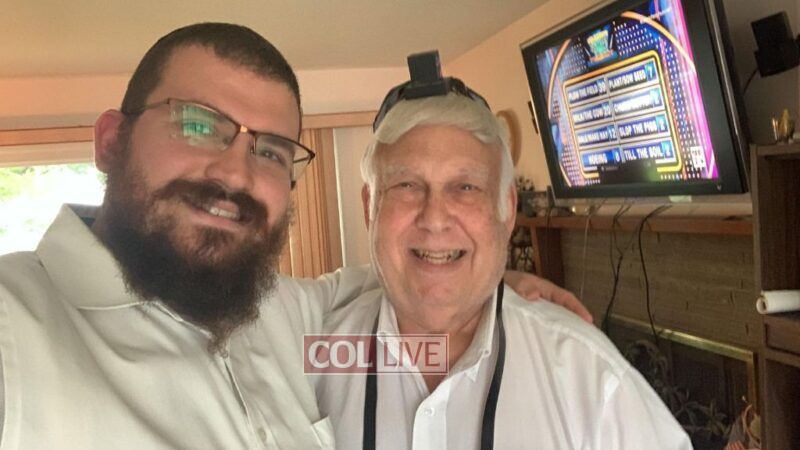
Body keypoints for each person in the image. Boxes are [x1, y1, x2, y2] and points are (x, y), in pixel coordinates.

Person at [0, 23, 587, 448]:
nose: (235, 174)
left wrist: (484, 272)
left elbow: (392, 290)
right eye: (198, 124)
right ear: (111, 141)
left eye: (271, 151)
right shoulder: (17, 333)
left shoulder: (286, 320)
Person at [314, 76, 693, 449]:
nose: (435, 218)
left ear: (507, 209)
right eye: (406, 185)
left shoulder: (591, 376)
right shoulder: (313, 360)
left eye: (466, 187)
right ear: (370, 207)